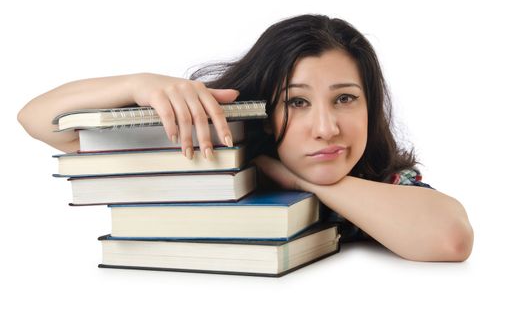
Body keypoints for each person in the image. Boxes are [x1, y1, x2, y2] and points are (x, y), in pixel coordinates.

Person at [18, 14, 473, 262]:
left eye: (345, 99)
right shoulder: (213, 145)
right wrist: (138, 84)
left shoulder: (380, 182)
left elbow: (451, 239)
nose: (326, 128)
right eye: (296, 102)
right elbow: (38, 119)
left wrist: (308, 183)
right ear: (263, 110)